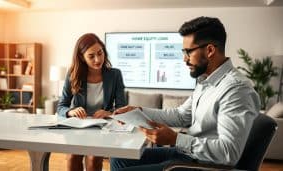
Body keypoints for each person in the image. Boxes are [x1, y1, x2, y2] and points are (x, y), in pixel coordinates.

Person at [110, 16, 260, 171]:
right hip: (189, 154)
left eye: (188, 52)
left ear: (209, 50)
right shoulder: (206, 81)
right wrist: (138, 111)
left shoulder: (236, 89)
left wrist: (176, 139)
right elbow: (181, 115)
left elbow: (229, 153)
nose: (184, 59)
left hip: (203, 165)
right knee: (119, 159)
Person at [57, 33, 127, 171]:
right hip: (77, 128)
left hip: (101, 129)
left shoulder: (115, 75)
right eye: (91, 56)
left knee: (94, 159)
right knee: (72, 158)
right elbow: (61, 107)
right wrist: (71, 111)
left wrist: (108, 113)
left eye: (100, 53)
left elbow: (122, 108)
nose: (98, 59)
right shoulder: (73, 75)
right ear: (82, 58)